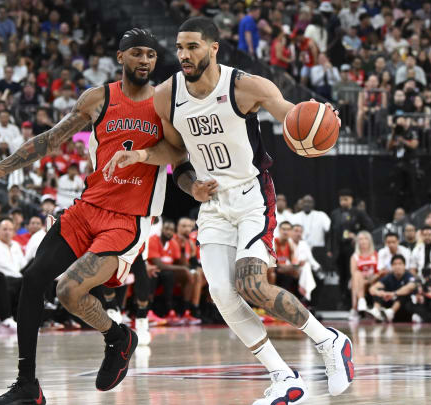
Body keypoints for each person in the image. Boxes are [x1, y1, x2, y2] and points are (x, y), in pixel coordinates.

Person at [104, 18, 353, 404]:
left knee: (250, 283)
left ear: (213, 48)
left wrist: (318, 115)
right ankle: (284, 377)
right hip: (213, 206)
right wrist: (144, 157)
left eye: (193, 47)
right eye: (180, 47)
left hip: (253, 195)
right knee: (221, 293)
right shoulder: (166, 96)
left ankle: (329, 340)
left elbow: (292, 115)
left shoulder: (245, 86)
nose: (184, 55)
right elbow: (176, 155)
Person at [0, 29, 167, 404]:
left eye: (150, 54)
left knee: (68, 289)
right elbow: (50, 139)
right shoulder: (98, 99)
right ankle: (27, 385)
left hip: (127, 218)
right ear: (121, 57)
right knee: (34, 278)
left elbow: (179, 154)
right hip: (86, 209)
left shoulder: (166, 103)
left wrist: (195, 184)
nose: (145, 60)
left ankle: (118, 336)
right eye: (137, 53)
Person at [368, 254, 416, 322]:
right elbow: (372, 289)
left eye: (400, 264)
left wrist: (393, 294)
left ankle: (391, 312)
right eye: (395, 264)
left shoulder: (409, 276)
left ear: (404, 266)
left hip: (404, 309)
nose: (397, 266)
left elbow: (411, 287)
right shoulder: (389, 276)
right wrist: (382, 294)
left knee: (404, 293)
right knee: (379, 290)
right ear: (392, 266)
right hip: (389, 304)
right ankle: (376, 311)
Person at [349, 231, 378, 320]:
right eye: (361, 239)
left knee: (357, 281)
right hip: (359, 281)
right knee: (357, 275)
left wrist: (369, 279)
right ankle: (360, 301)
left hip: (374, 280)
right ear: (358, 242)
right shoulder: (355, 256)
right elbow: (353, 273)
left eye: (365, 239)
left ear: (370, 241)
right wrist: (363, 280)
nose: (363, 241)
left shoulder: (375, 254)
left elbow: (379, 271)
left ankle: (354, 309)